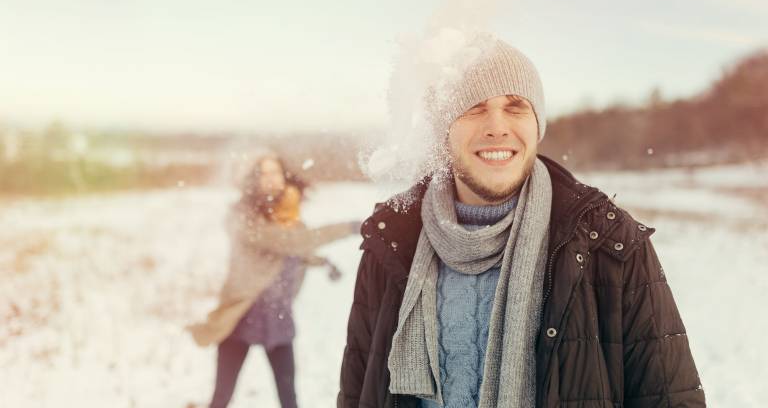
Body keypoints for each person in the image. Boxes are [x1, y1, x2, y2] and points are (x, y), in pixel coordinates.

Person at [337, 35, 705, 407]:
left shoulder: (608, 242)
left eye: (515, 107)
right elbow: (357, 391)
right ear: (443, 131)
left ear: (537, 124)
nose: (497, 127)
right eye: (474, 108)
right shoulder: (393, 240)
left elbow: (670, 398)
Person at [189, 153, 356, 408]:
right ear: (253, 180)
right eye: (264, 173)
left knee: (289, 399)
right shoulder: (244, 218)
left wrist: (322, 262)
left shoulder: (289, 220)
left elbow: (294, 249)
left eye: (275, 172)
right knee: (221, 397)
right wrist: (350, 227)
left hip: (278, 318)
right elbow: (289, 242)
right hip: (241, 316)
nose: (270, 179)